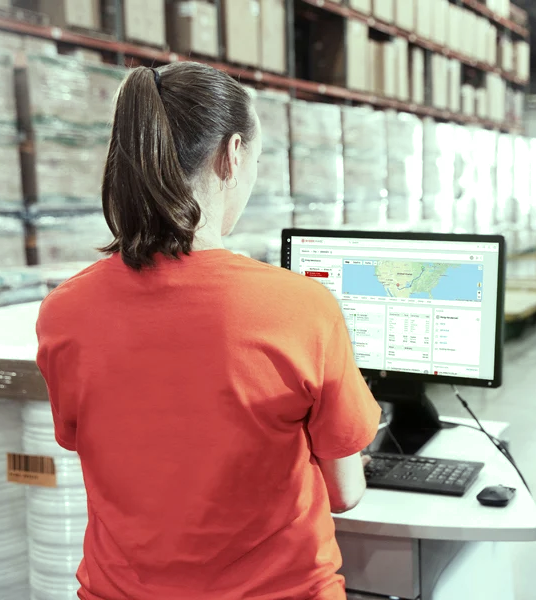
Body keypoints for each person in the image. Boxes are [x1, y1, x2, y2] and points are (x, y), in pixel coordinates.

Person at [35, 62, 381, 600]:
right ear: (233, 154)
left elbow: (97, 445)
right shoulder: (301, 307)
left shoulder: (63, 312)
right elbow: (346, 493)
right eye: (258, 160)